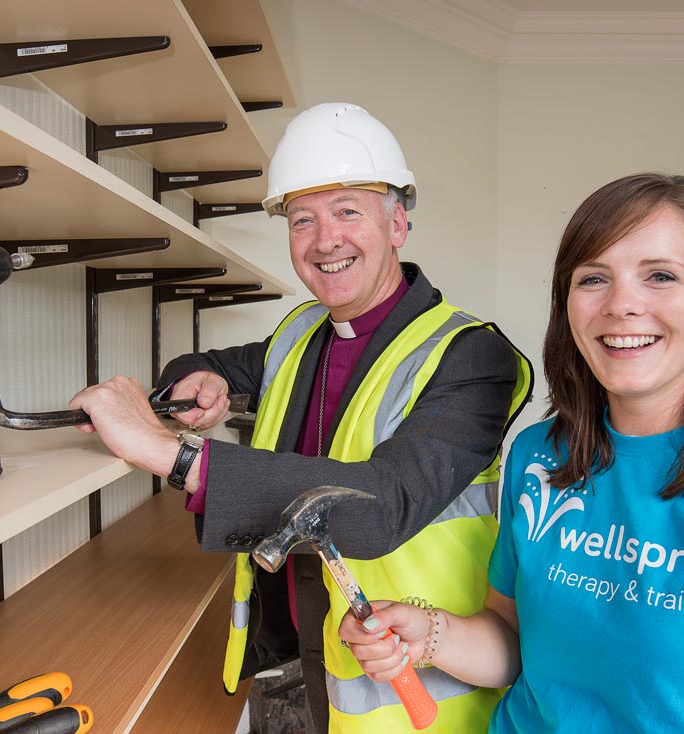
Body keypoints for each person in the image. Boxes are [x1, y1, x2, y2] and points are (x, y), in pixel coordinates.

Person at [68, 102, 533, 733]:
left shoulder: (471, 356)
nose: (325, 240)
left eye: (348, 211)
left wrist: (167, 454)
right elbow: (223, 364)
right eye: (302, 219)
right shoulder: (302, 333)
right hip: (295, 654)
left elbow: (380, 506)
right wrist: (199, 379)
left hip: (410, 695)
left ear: (397, 222)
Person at [339, 173, 684, 733]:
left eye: (660, 276)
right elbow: (514, 641)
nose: (622, 306)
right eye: (594, 278)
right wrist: (430, 632)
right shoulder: (538, 457)